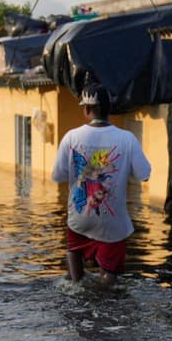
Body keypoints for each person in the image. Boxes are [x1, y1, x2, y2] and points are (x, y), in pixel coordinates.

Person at [51, 84, 152, 284]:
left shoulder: (71, 137)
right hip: (113, 224)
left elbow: (58, 175)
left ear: (87, 109)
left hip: (80, 218)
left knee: (73, 251)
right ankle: (104, 296)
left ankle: (75, 286)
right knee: (110, 276)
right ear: (109, 109)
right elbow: (144, 174)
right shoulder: (127, 139)